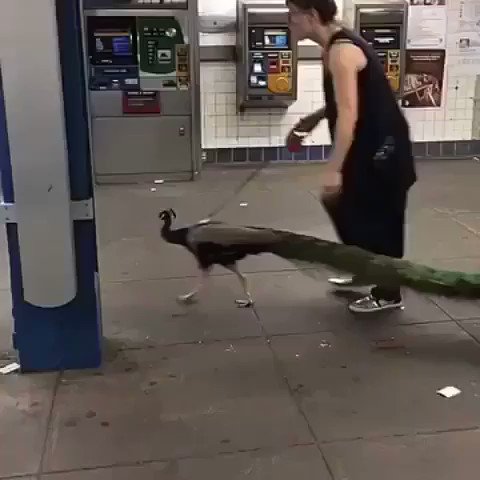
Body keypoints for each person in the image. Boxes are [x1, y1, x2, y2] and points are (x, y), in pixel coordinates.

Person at [286, 0, 417, 313]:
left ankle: (388, 293)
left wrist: (334, 168)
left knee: (378, 219)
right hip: (370, 144)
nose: (288, 22)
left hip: (382, 149)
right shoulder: (333, 44)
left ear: (312, 16)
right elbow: (346, 99)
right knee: (343, 204)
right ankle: (365, 268)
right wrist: (314, 118)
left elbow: (348, 115)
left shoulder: (342, 51)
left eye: (292, 15)